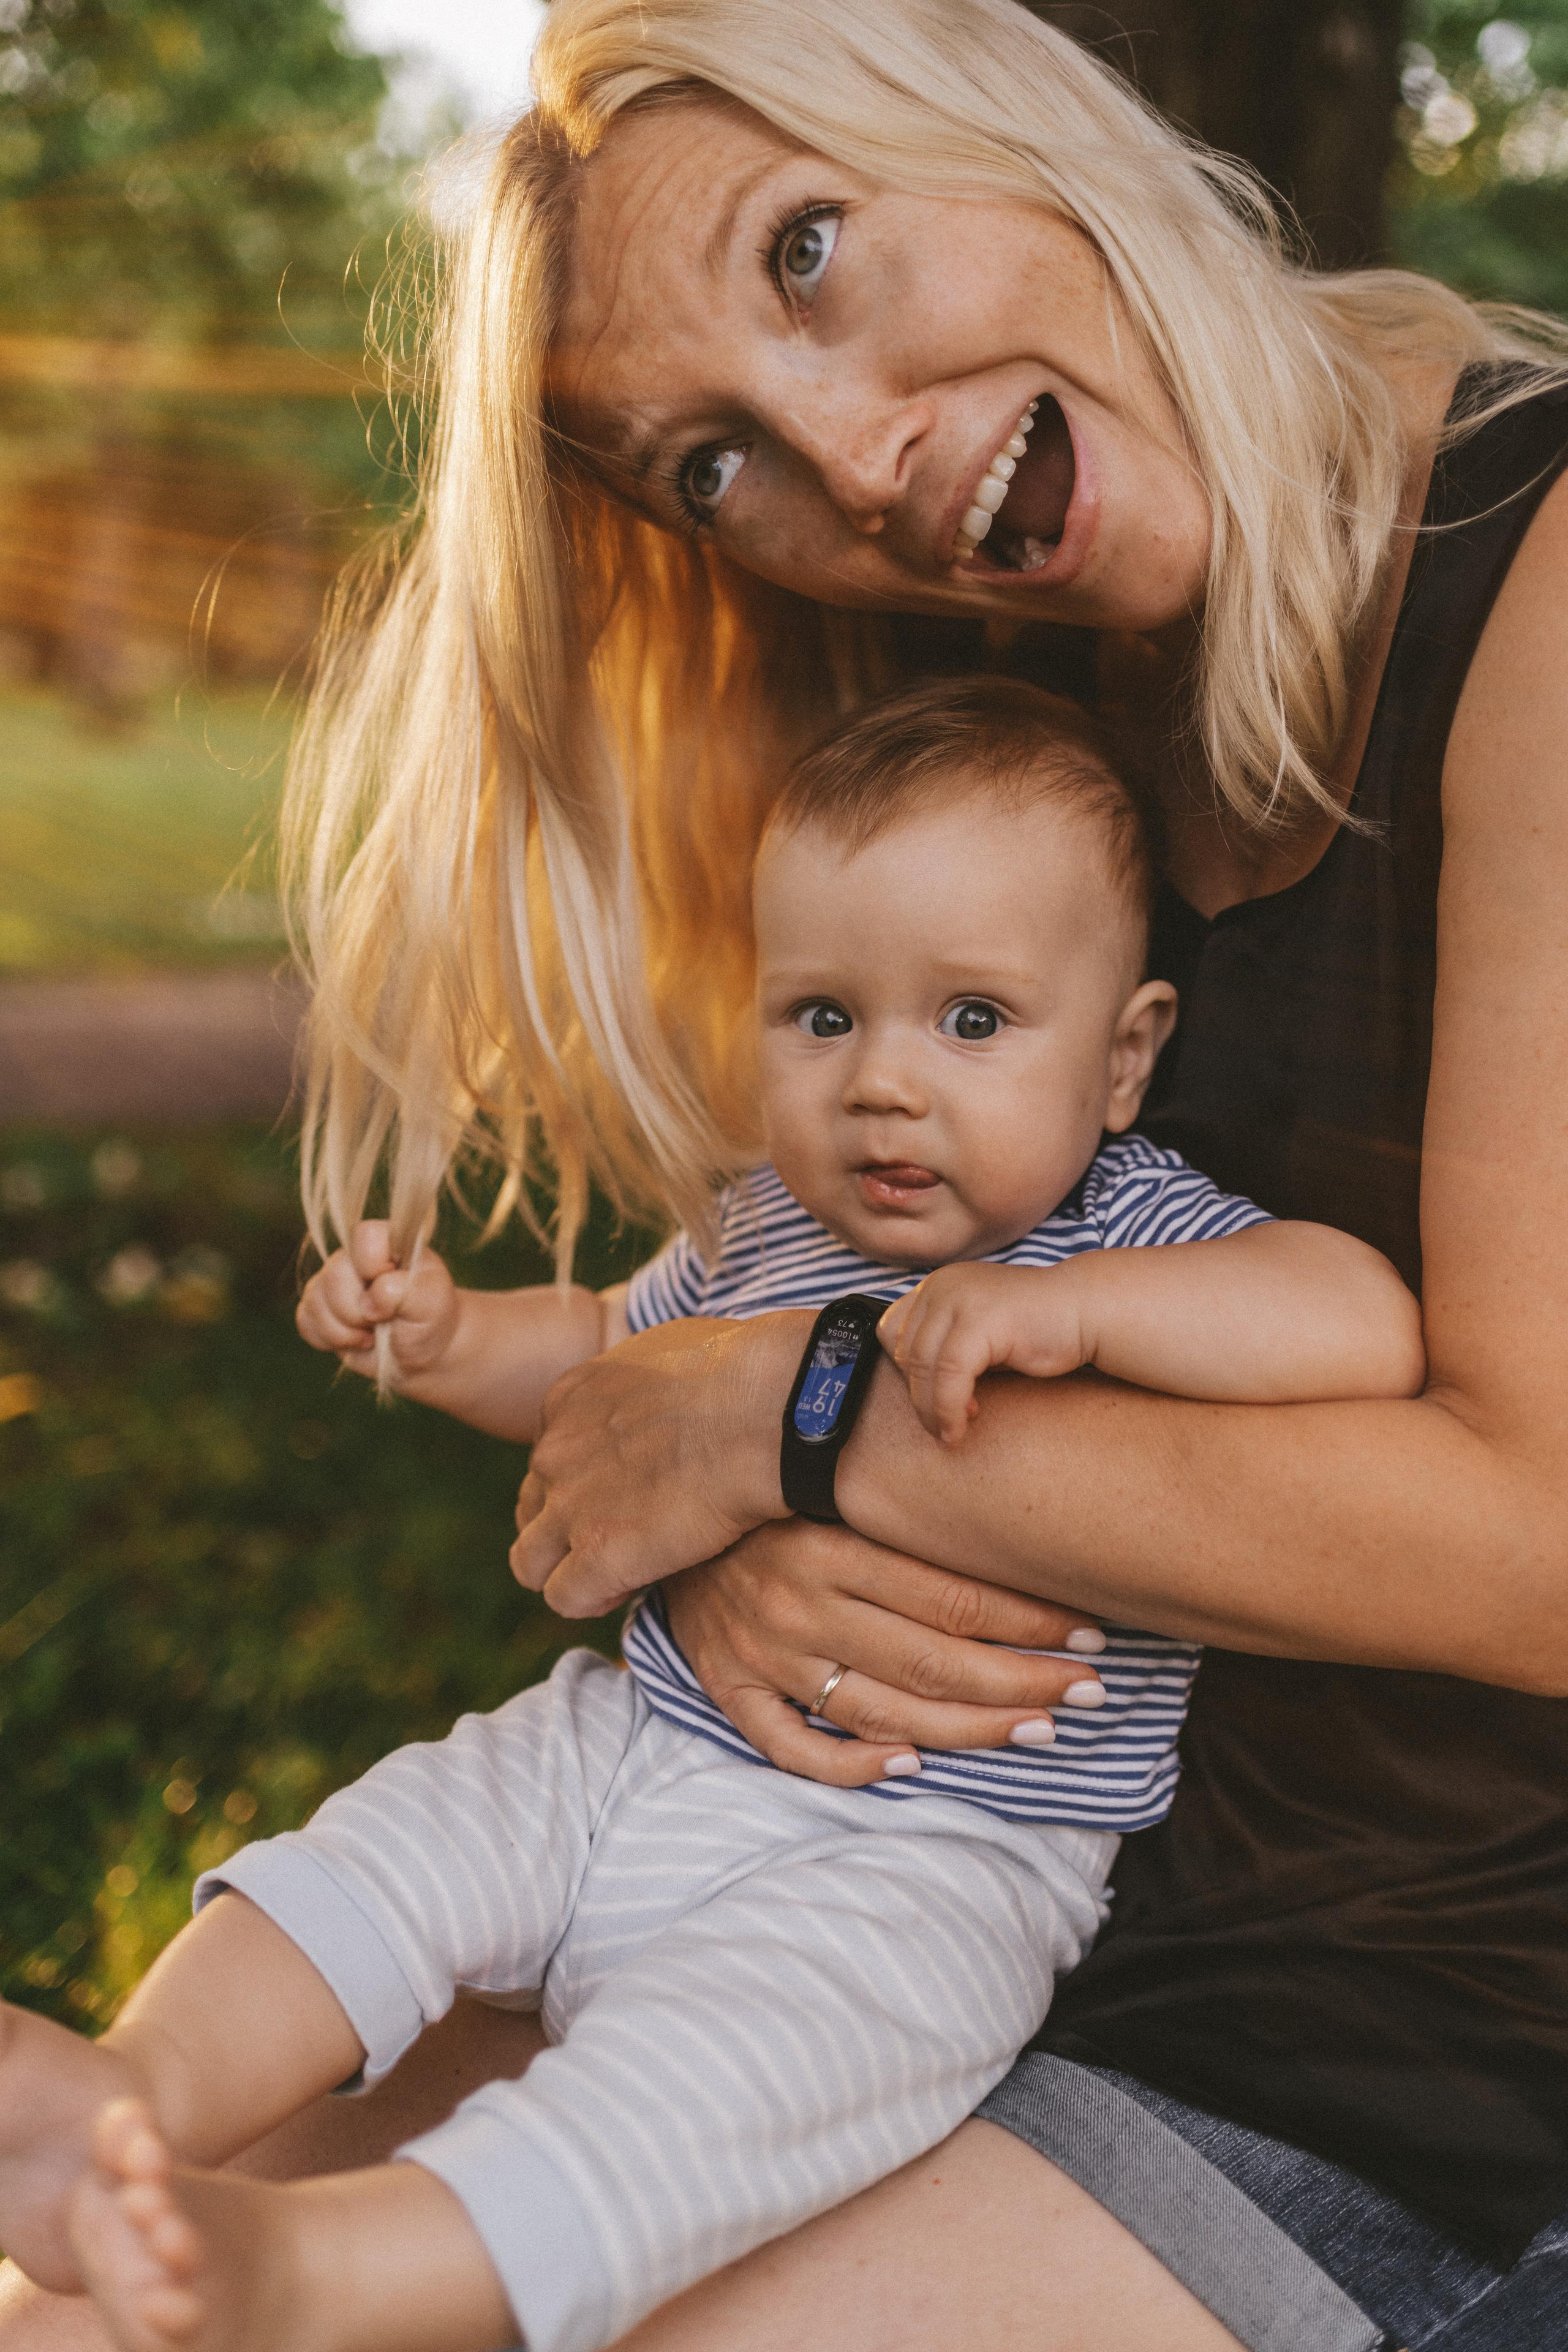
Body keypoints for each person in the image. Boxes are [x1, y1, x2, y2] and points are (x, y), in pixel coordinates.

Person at [5, 1, 1568, 2346]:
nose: (845, 459)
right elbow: (696, 1384)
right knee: (90, 2297)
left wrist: (797, 1431)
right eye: (710, 467)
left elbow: (1543, 1542)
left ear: (977, 95)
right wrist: (738, 1520)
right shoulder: (1048, 716)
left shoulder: (1539, 570)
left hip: (1391, 2053)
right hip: (902, 1865)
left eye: (812, 249)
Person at [0, 680, 1424, 2352]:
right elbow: (607, 1352)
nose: (885, 1084)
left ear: (1125, 1058)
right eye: (825, 1019)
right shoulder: (765, 1230)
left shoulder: (1134, 1235)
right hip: (640, 1747)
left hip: (931, 1855)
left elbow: (1362, 1320)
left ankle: (332, 2271)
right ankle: (135, 2096)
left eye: (971, 1023)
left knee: (720, 2094)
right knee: (402, 1848)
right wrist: (453, 1338)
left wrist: (1096, 1315)